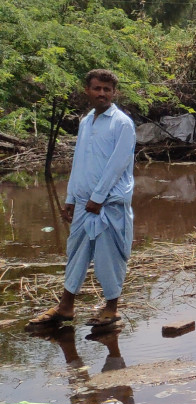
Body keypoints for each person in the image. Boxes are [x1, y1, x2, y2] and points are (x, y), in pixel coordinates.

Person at [28, 70, 136, 330]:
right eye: (97, 88)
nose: (102, 93)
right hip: (84, 202)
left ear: (114, 92)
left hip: (109, 203)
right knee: (76, 253)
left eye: (107, 89)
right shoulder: (87, 121)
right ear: (87, 90)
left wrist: (98, 198)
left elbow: (118, 165)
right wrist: (70, 198)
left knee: (110, 256)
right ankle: (66, 307)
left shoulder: (121, 123)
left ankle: (111, 308)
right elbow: (80, 162)